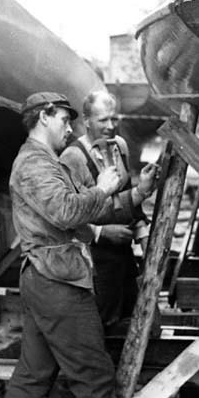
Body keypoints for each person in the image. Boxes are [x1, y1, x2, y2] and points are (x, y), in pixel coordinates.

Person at [0, 91, 158, 398]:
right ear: (44, 116)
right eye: (65, 119)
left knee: (34, 371)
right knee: (95, 374)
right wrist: (101, 188)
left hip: (45, 278)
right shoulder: (34, 163)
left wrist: (135, 195)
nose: (71, 127)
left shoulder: (45, 162)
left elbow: (82, 214)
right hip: (58, 282)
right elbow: (68, 211)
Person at [60, 90, 148, 333]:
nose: (110, 126)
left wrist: (143, 237)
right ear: (86, 121)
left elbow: (130, 198)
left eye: (113, 118)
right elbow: (66, 214)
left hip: (124, 251)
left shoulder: (120, 146)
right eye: (103, 120)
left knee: (131, 315)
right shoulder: (73, 157)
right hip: (93, 256)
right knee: (102, 321)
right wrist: (101, 232)